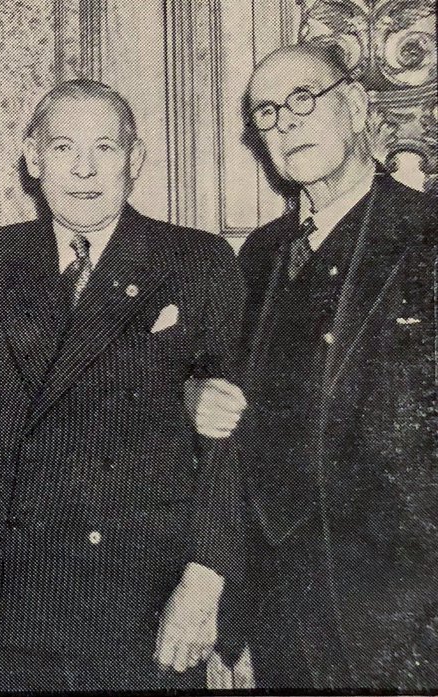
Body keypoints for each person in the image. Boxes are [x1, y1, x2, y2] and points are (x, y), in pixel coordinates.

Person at [0, 79, 247, 691]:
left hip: (145, 603)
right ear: (33, 159)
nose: (84, 170)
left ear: (134, 161)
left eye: (105, 149)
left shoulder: (197, 260)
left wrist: (205, 577)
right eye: (63, 148)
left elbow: (232, 442)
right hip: (16, 602)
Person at [196, 42, 438, 690]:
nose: (287, 122)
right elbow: (227, 410)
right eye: (267, 114)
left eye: (303, 99)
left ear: (356, 104)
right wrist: (198, 398)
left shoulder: (426, 233)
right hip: (281, 617)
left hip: (403, 622)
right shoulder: (261, 253)